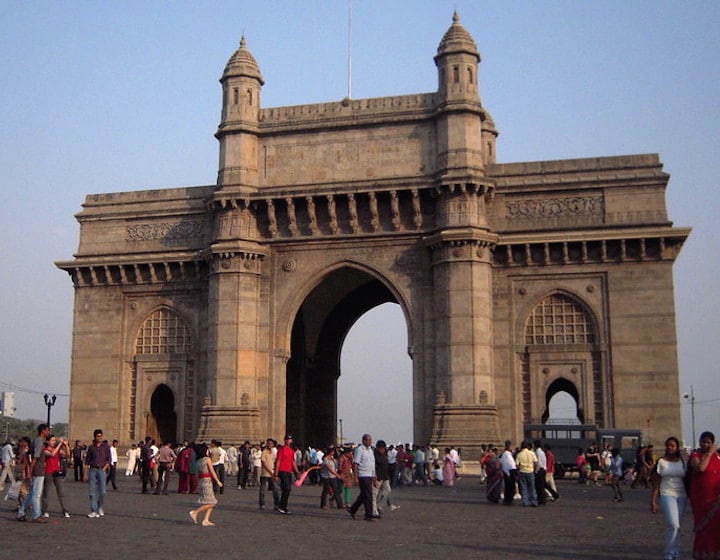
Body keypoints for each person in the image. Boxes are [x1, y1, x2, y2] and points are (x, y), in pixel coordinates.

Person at [650, 436, 688, 560]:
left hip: (681, 495)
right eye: (667, 445)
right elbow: (656, 483)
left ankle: (675, 553)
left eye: (672, 445)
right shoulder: (661, 462)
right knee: (673, 524)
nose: (669, 447)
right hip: (666, 493)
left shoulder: (682, 462)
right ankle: (669, 554)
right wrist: (653, 501)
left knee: (678, 526)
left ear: (677, 447)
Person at [688, 431, 720, 558]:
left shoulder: (717, 458)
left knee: (716, 527)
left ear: (712, 443)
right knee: (704, 528)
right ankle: (702, 553)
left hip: (715, 498)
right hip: (700, 498)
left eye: (708, 442)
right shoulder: (695, 456)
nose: (705, 444)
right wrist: (709, 453)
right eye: (703, 442)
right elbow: (701, 468)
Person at [17, 423, 51, 522]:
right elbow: (35, 457)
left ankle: (21, 513)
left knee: (32, 494)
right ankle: (36, 515)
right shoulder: (39, 442)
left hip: (38, 469)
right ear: (43, 431)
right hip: (38, 470)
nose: (48, 432)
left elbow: (29, 455)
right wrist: (30, 471)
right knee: (36, 494)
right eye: (47, 430)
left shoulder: (35, 441)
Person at [189, 443, 222, 527]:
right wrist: (217, 481)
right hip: (207, 481)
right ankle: (195, 512)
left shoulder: (198, 461)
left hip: (201, 480)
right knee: (212, 503)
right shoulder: (207, 459)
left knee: (210, 500)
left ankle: (206, 519)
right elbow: (212, 471)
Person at [41, 434, 70, 517]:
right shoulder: (45, 450)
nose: (54, 442)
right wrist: (60, 444)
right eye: (52, 440)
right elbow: (52, 454)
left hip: (57, 472)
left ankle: (65, 510)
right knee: (46, 492)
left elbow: (66, 455)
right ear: (47, 441)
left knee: (61, 492)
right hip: (48, 472)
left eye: (54, 440)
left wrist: (66, 445)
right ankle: (44, 510)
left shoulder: (56, 449)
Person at [348, 433, 376, 521]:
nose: (370, 442)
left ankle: (353, 509)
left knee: (364, 495)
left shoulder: (371, 450)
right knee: (368, 496)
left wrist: (374, 475)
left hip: (370, 475)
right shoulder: (359, 450)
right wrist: (355, 477)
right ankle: (368, 515)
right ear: (364, 441)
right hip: (363, 475)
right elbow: (355, 464)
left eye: (371, 440)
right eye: (369, 440)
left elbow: (372, 464)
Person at [85, 428, 111, 517]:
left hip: (102, 470)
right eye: (97, 436)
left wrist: (104, 468)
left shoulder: (106, 447)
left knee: (103, 491)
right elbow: (87, 462)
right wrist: (85, 474)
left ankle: (99, 507)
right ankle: (94, 510)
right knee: (92, 492)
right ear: (94, 437)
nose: (99, 437)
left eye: (100, 436)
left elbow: (108, 460)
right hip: (92, 470)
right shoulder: (91, 448)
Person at [274, 434, 299, 514]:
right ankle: (282, 506)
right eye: (288, 439)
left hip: (289, 471)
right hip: (282, 470)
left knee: (287, 489)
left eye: (290, 439)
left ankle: (283, 506)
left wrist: (297, 472)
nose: (289, 441)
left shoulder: (291, 451)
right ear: (285, 440)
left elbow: (293, 462)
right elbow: (278, 461)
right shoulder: (281, 449)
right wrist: (276, 474)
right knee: (287, 488)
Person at [258, 438, 280, 511]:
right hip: (265, 473)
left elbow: (275, 461)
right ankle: (262, 504)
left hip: (272, 473)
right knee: (263, 490)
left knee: (275, 489)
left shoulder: (273, 452)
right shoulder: (264, 452)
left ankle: (276, 505)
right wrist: (270, 471)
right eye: (268, 443)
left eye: (271, 444)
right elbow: (263, 462)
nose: (270, 445)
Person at [516, 440, 538, 507]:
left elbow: (517, 465)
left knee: (524, 487)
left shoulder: (519, 454)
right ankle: (534, 501)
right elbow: (535, 462)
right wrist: (534, 469)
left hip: (522, 471)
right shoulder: (532, 453)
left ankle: (525, 502)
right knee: (532, 487)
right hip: (530, 471)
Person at [501, 440, 518, 506]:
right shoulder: (506, 455)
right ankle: (508, 499)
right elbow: (508, 465)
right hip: (510, 472)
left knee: (510, 487)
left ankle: (508, 499)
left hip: (509, 472)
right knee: (510, 487)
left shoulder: (507, 454)